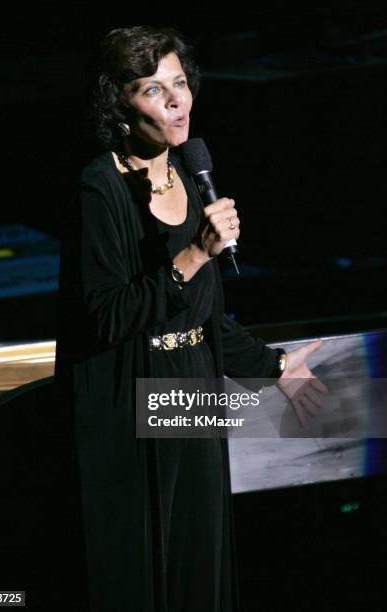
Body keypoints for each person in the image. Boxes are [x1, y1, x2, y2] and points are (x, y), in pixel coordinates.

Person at [54, 25, 324, 612]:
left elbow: (205, 316)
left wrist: (275, 365)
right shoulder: (98, 190)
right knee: (139, 575)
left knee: (198, 568)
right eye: (155, 89)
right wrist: (195, 254)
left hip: (191, 391)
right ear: (119, 108)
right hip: (127, 400)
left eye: (180, 84)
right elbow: (104, 317)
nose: (177, 101)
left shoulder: (192, 174)